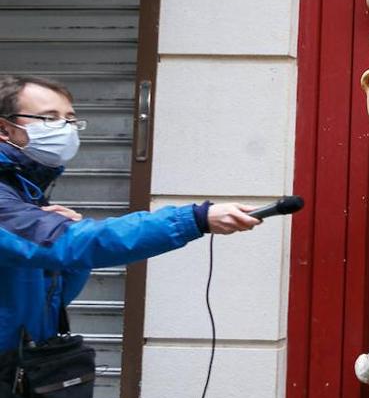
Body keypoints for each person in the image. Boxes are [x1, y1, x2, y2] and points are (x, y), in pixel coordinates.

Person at [0, 75, 260, 355]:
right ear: (4, 129)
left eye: (70, 119)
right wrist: (194, 219)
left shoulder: (25, 190)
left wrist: (69, 251)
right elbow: (68, 245)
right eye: (49, 119)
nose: (64, 128)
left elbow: (55, 296)